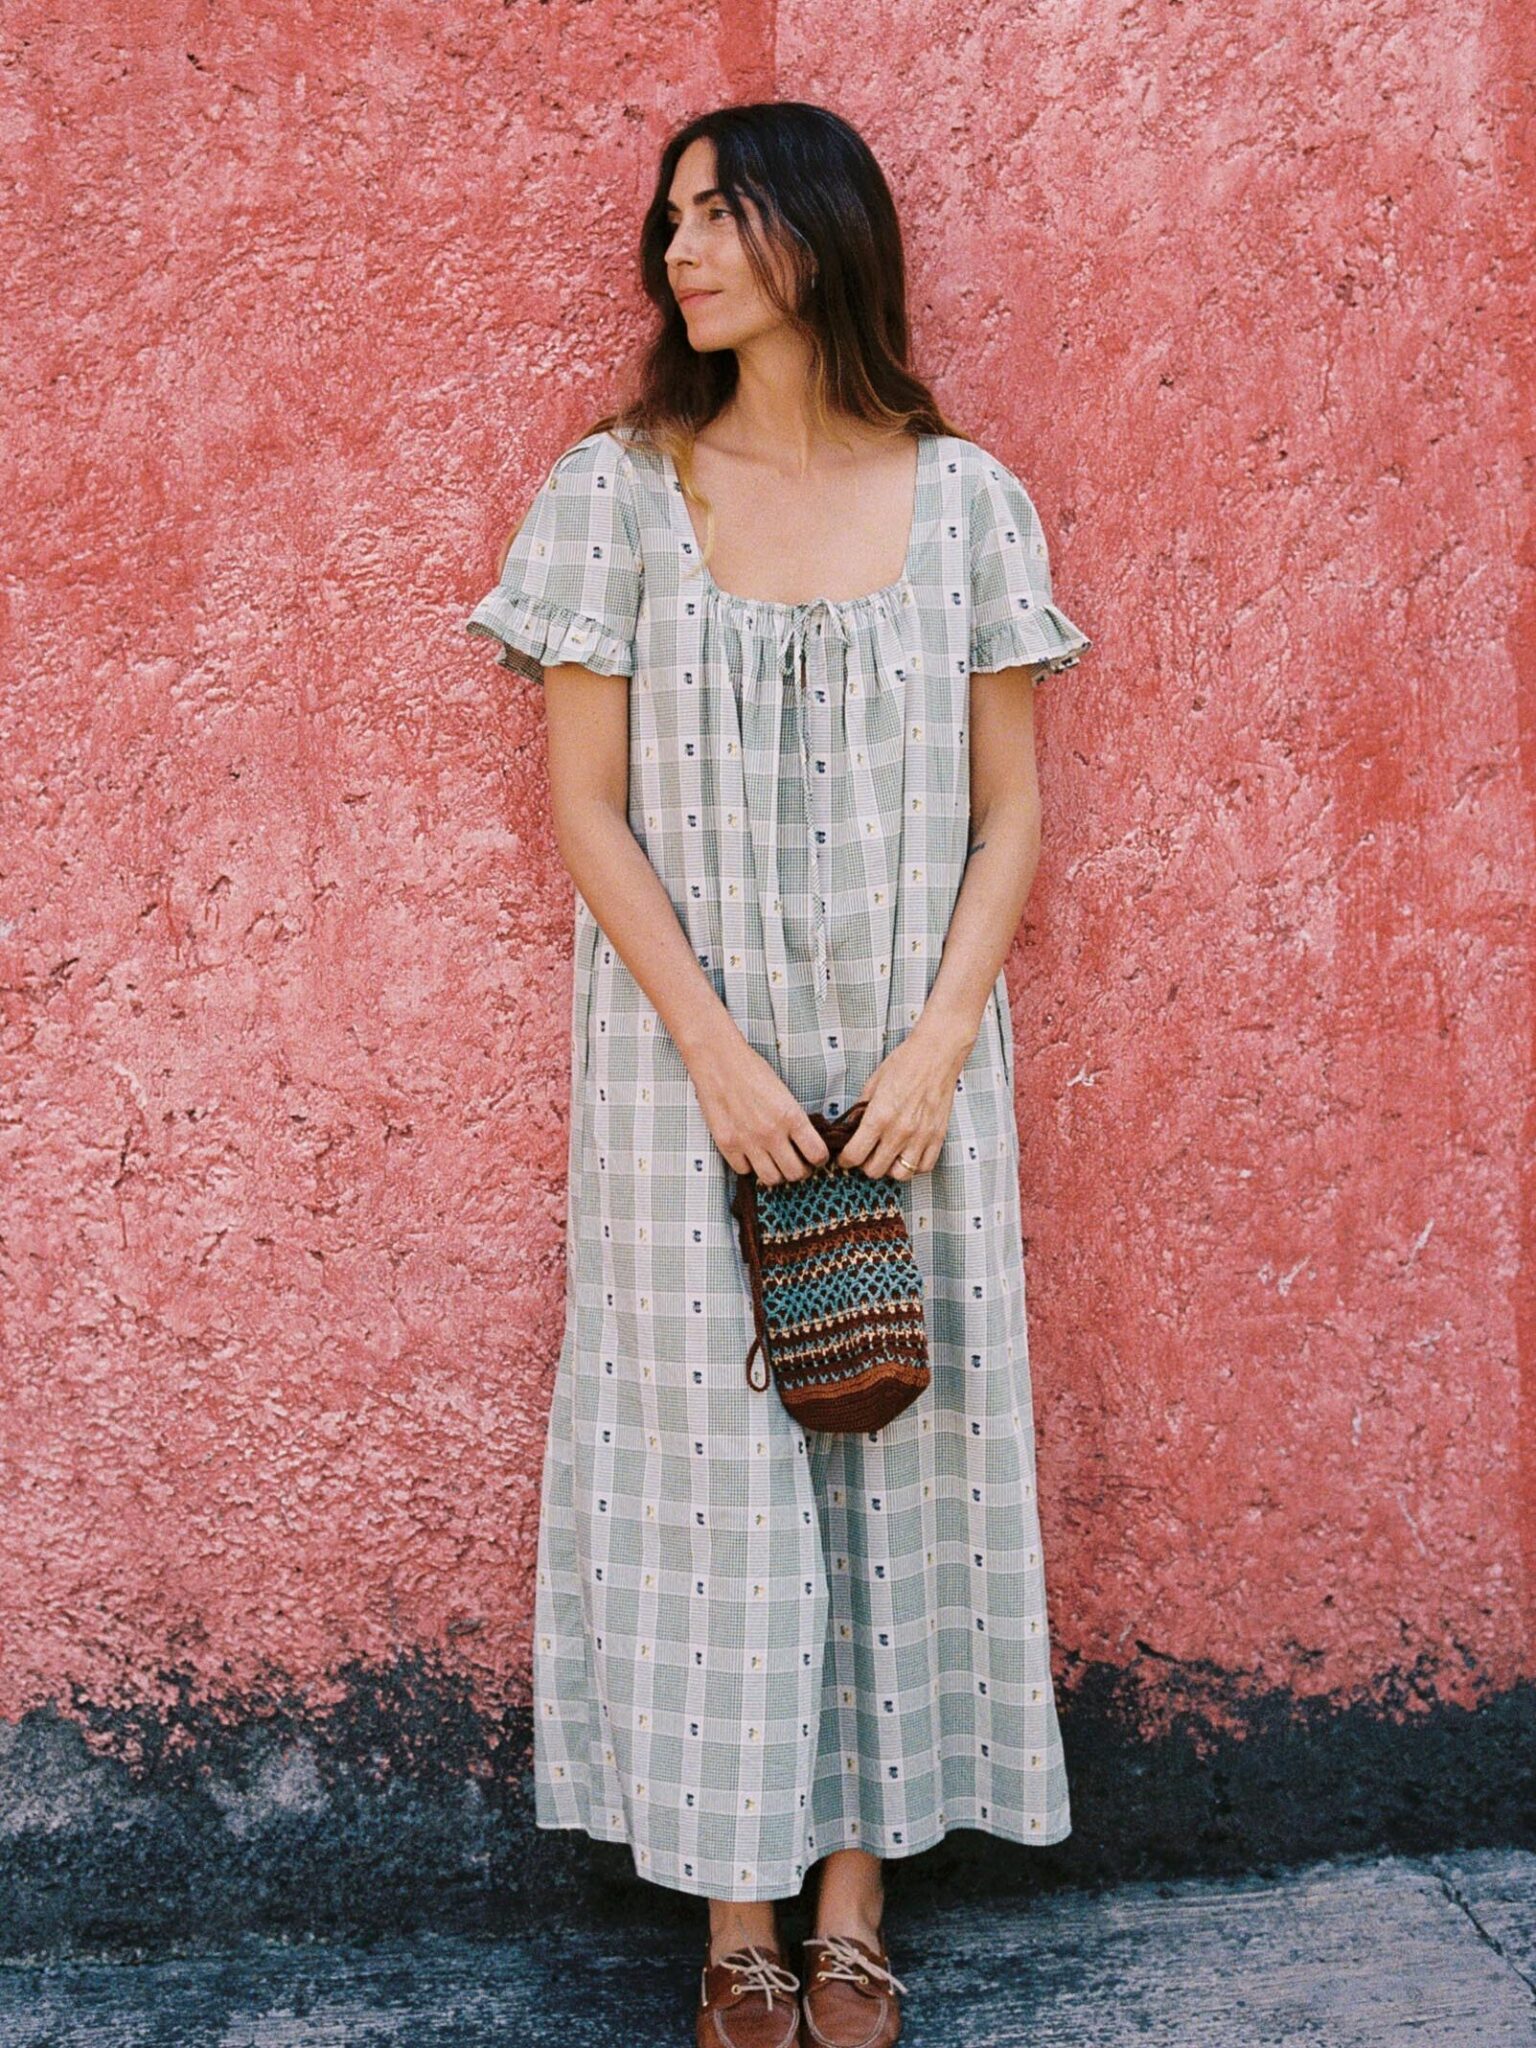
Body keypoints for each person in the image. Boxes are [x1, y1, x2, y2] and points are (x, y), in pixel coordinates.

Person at [465, 99, 1092, 2048]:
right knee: (722, 1462)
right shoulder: (619, 494)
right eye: (670, 222)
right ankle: (734, 1909)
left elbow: (1013, 813)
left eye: (721, 214)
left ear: (825, 231)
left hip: (914, 1079)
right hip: (684, 1082)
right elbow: (585, 812)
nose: (682, 251)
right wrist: (723, 1061)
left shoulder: (971, 502)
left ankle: (852, 1902)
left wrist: (930, 1050)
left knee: (897, 1441)